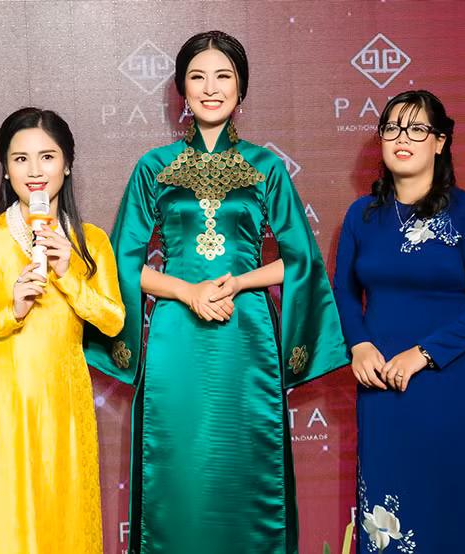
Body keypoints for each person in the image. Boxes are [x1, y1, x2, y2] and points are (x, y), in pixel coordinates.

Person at [85, 30, 347, 554]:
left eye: (223, 76)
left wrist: (240, 281)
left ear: (241, 88)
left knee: (247, 466)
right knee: (176, 467)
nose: (210, 88)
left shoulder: (267, 167)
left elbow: (300, 261)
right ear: (181, 89)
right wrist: (188, 292)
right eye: (197, 77)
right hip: (175, 338)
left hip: (245, 336)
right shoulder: (153, 166)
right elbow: (121, 266)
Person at [333, 90, 465, 553]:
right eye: (392, 128)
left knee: (457, 506)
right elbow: (344, 292)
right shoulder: (361, 216)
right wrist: (359, 345)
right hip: (381, 383)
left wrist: (425, 353)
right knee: (390, 508)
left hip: (451, 384)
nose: (402, 138)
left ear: (440, 141)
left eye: (417, 129)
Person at [0, 107, 124, 554]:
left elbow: (113, 320)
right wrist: (10, 311)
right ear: (5, 169)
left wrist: (68, 274)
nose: (35, 171)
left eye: (47, 157)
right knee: (1, 520)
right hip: (0, 401)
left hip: (66, 402)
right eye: (20, 159)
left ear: (68, 164)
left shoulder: (91, 241)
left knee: (64, 518)